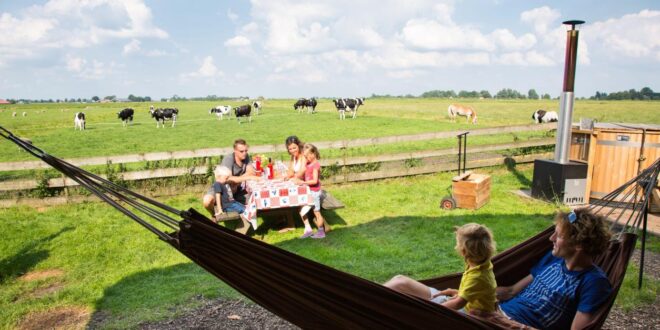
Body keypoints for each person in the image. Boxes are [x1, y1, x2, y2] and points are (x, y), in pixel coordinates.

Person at [496, 208, 613, 330]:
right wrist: (479, 290)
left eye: (559, 236)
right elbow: (512, 291)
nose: (551, 238)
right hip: (495, 314)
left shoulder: (594, 283)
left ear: (578, 244)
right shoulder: (553, 259)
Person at [384, 223, 497, 315]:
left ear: (463, 252)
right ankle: (370, 298)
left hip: (465, 315)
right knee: (399, 280)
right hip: (461, 305)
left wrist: (431, 310)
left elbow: (458, 304)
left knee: (401, 300)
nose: (455, 246)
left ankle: (370, 305)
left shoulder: (477, 276)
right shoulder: (482, 264)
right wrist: (459, 293)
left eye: (457, 244)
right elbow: (478, 292)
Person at [203, 139, 257, 216]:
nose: (244, 153)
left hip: (236, 190)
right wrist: (244, 177)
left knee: (255, 200)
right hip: (221, 189)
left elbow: (251, 172)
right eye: (241, 151)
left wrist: (237, 180)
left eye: (246, 151)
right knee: (207, 201)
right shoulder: (228, 159)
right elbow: (227, 179)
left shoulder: (246, 157)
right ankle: (214, 215)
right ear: (235, 150)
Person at [293, 143, 330, 239]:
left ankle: (321, 232)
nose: (306, 158)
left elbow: (314, 180)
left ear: (313, 154)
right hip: (309, 191)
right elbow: (303, 172)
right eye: (305, 156)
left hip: (314, 192)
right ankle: (308, 229)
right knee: (302, 209)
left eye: (307, 156)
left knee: (316, 212)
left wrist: (303, 183)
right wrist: (297, 178)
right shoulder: (309, 163)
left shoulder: (315, 165)